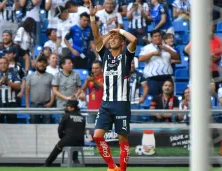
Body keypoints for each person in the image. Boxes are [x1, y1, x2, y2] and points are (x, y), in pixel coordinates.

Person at [89, 1, 137, 170]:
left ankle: (122, 170)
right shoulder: (105, 56)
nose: (112, 40)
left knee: (123, 139)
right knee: (97, 136)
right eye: (111, 38)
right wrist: (92, 16)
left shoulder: (126, 56)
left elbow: (134, 39)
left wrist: (119, 30)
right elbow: (96, 38)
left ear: (122, 42)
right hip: (106, 104)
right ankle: (112, 166)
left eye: (116, 38)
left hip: (122, 103)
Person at [44, 100, 85, 166]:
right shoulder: (82, 117)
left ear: (72, 108)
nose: (66, 108)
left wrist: (62, 137)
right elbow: (82, 130)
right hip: (80, 141)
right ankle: (76, 161)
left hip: (69, 139)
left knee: (57, 148)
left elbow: (60, 128)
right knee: (74, 144)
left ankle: (47, 164)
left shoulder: (66, 116)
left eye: (67, 106)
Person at [138, 30, 180, 96]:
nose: (158, 37)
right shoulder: (147, 48)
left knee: (169, 101)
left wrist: (167, 49)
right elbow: (140, 59)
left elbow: (177, 57)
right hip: (153, 79)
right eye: (155, 36)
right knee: (155, 101)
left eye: (159, 36)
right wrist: (152, 53)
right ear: (151, 38)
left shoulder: (167, 47)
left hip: (167, 78)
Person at [0, 57, 21, 123]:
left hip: (11, 103)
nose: (3, 65)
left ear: (8, 64)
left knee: (12, 125)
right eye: (1, 63)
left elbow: (18, 86)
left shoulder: (14, 73)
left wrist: (8, 82)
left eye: (5, 63)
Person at [25, 56, 55, 124]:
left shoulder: (51, 76)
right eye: (40, 62)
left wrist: (51, 103)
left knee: (47, 126)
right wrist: (27, 106)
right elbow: (27, 92)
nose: (42, 64)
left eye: (44, 62)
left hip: (46, 105)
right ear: (36, 63)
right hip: (34, 105)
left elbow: (54, 91)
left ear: (46, 64)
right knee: (33, 126)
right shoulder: (30, 76)